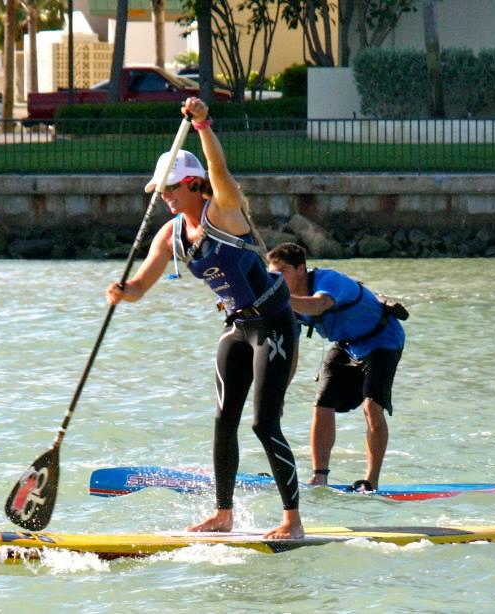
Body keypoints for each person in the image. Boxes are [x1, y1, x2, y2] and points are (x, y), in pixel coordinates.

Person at [105, 98, 303, 539]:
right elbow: (140, 287)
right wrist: (123, 293)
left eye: (172, 190)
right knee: (223, 421)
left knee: (263, 424)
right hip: (236, 328)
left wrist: (203, 126)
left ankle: (292, 519)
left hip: (273, 325)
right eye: (162, 192)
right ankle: (223, 513)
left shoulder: (225, 212)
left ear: (194, 184)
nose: (166, 198)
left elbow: (222, 173)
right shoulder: (169, 234)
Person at [266, 243, 406, 492]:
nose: (275, 279)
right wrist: (279, 394)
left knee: (372, 407)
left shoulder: (328, 280)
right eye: (272, 275)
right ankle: (320, 476)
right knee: (322, 404)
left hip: (383, 340)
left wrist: (281, 299)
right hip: (347, 346)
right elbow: (292, 353)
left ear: (300, 269)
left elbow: (319, 305)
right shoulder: (289, 306)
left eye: (282, 272)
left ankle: (371, 481)